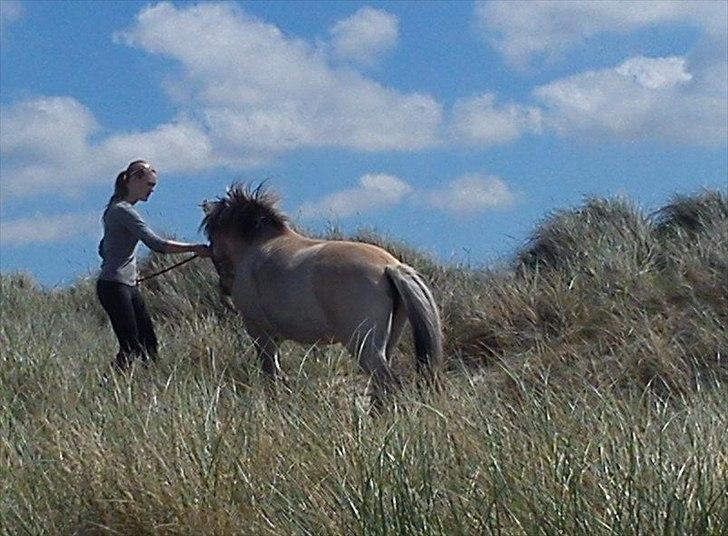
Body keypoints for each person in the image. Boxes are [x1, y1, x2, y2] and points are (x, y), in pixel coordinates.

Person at [97, 159, 211, 371]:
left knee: (149, 346)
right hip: (115, 286)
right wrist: (195, 248)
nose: (152, 190)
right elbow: (156, 244)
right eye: (149, 185)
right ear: (134, 180)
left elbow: (103, 248)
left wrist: (127, 269)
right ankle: (108, 386)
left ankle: (146, 385)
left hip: (125, 286)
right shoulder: (123, 211)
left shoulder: (114, 209)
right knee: (131, 346)